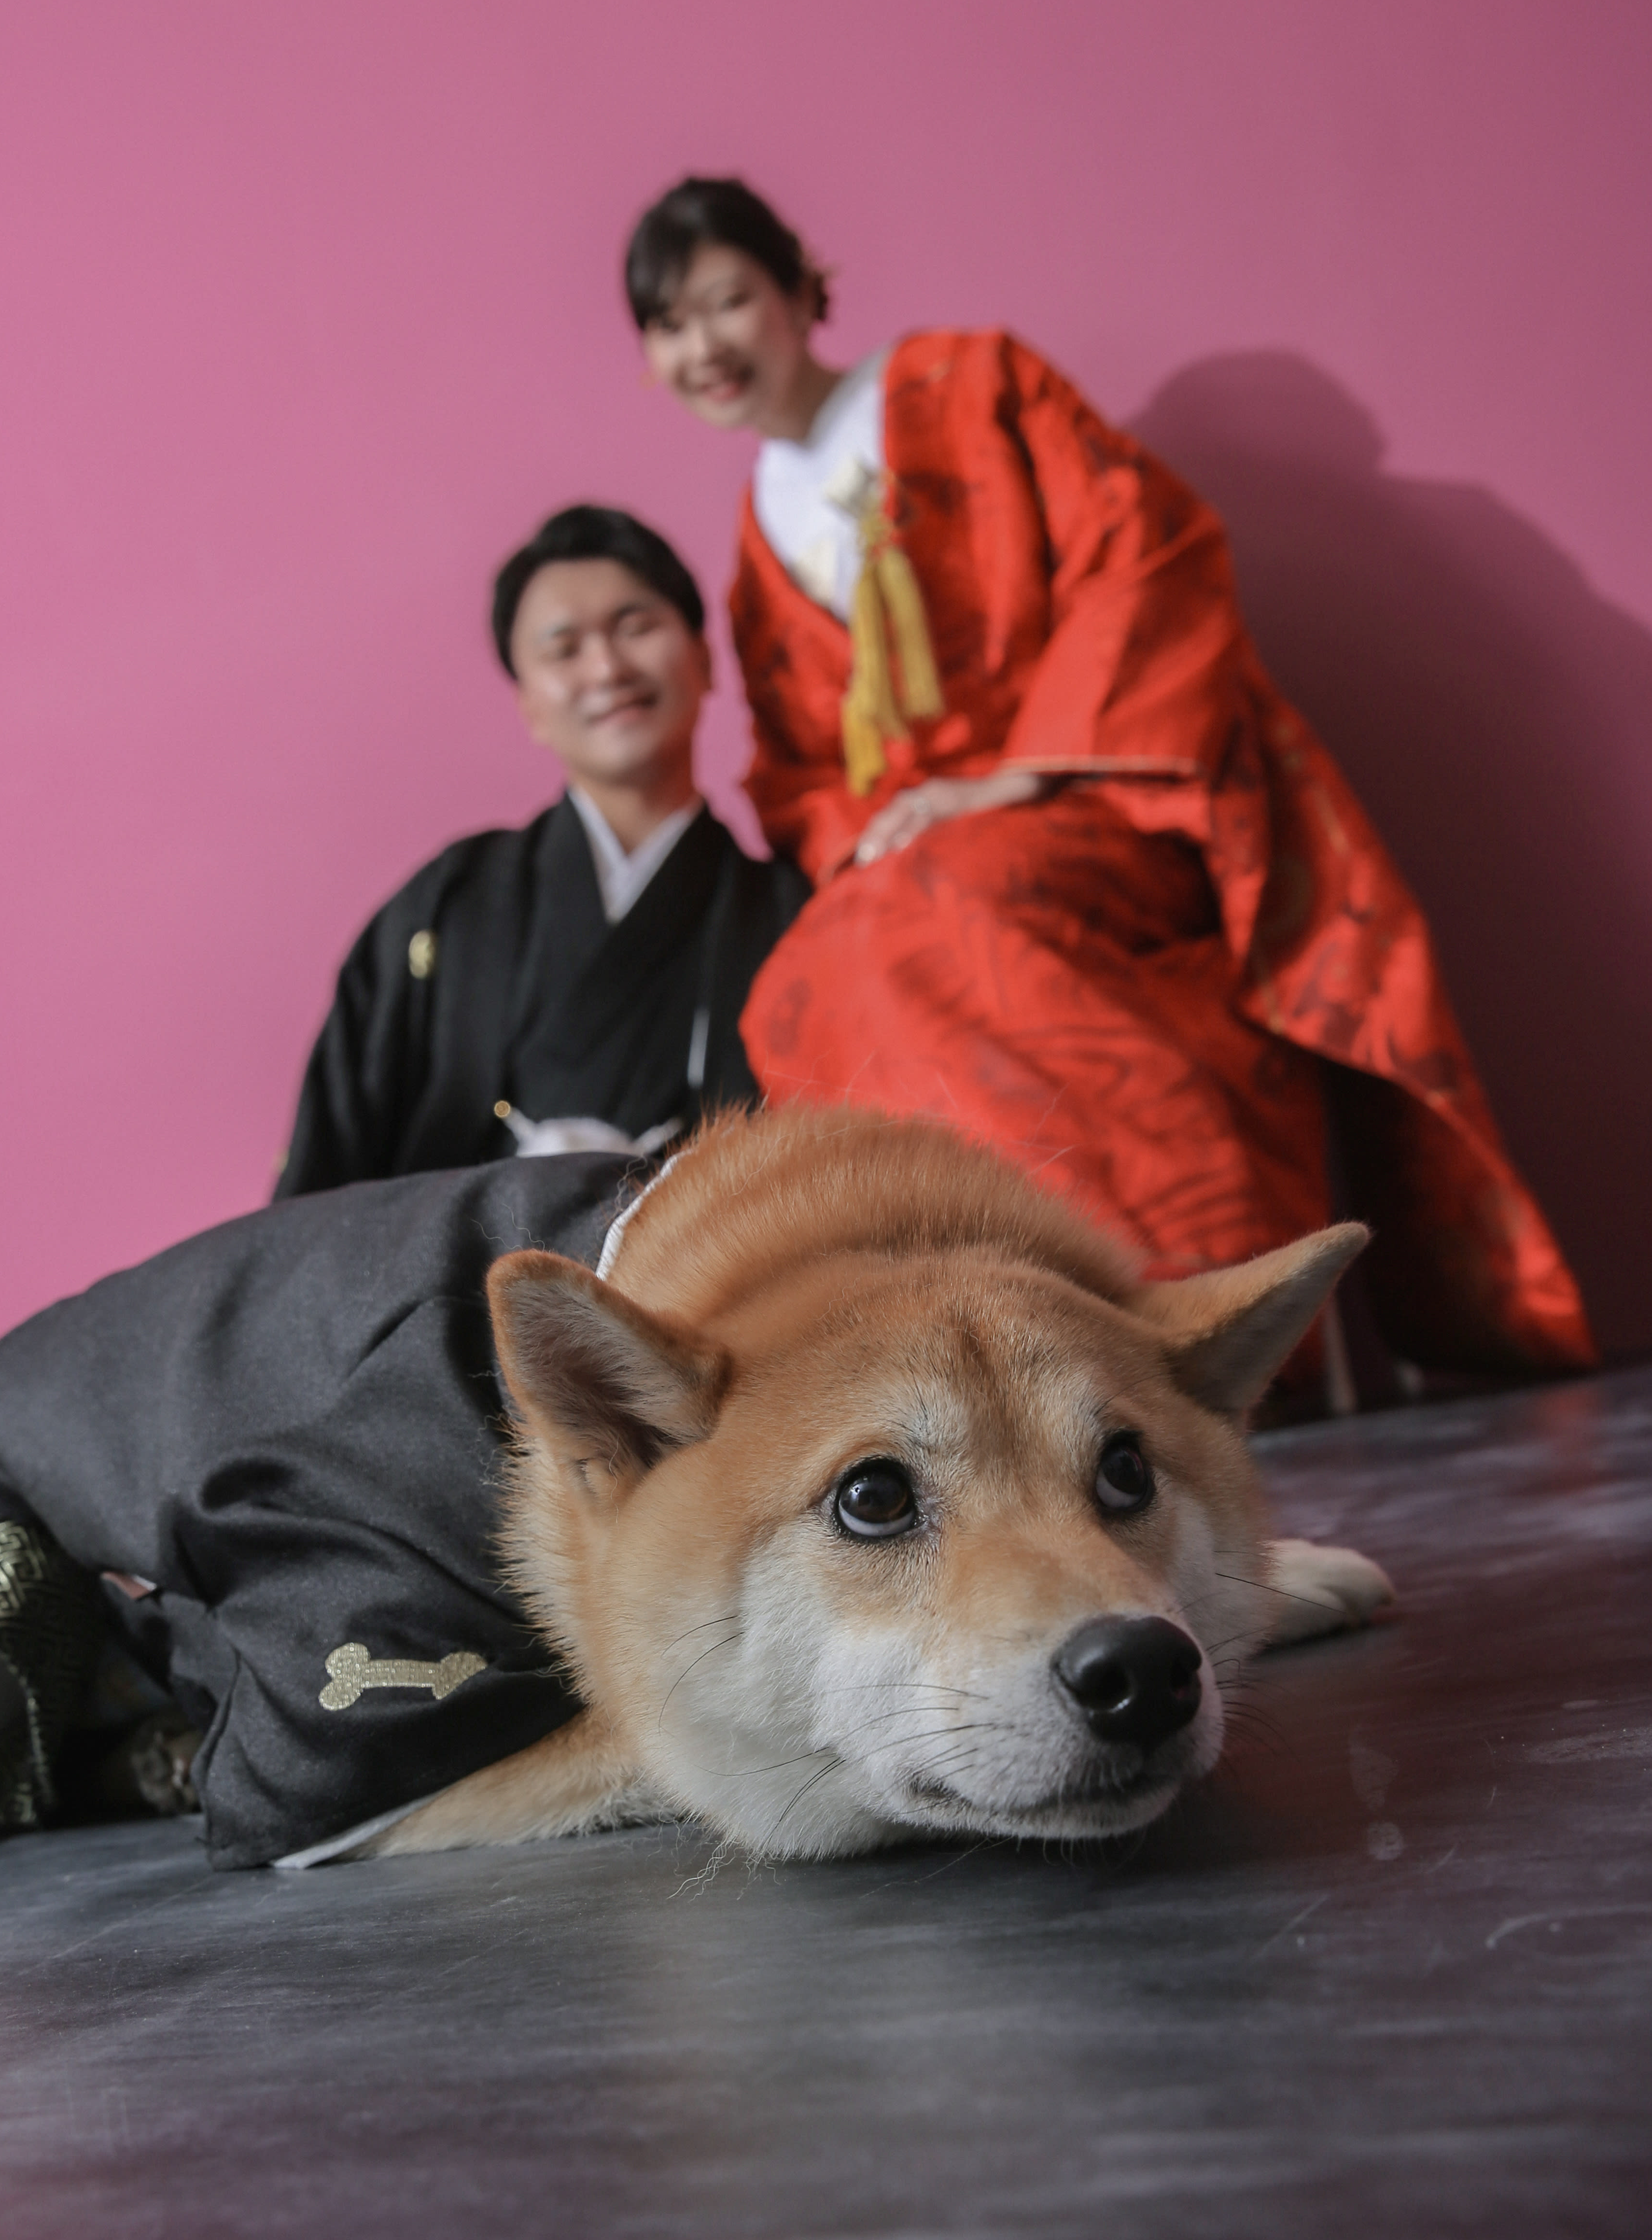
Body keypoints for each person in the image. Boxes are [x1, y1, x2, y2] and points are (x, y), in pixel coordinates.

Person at [624, 177, 1594, 1382]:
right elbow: (802, 768)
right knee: (806, 975)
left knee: (936, 912)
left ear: (798, 288)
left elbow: (1142, 559)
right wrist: (875, 835)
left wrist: (1011, 782)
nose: (705, 347)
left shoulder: (975, 384)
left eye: (728, 301)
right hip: (923, 848)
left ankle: (1176, 1315)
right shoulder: (758, 541)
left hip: (1090, 792)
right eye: (670, 325)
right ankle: (963, 1347)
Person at [276, 502, 806, 1196]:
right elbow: (329, 1169)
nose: (607, 667)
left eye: (636, 627)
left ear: (705, 660)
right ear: (529, 706)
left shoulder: (788, 915)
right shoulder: (450, 905)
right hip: (457, 1267)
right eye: (564, 649)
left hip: (703, 1265)